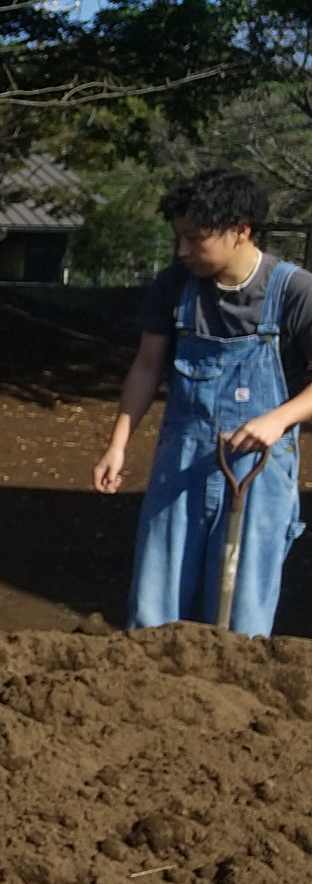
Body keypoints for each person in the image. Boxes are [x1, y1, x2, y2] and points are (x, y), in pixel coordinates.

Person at [93, 169, 312, 636]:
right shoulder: (176, 286)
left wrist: (279, 419)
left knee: (242, 610)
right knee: (154, 601)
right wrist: (118, 444)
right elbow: (148, 366)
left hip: (260, 465)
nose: (183, 251)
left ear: (241, 231)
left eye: (196, 239)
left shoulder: (294, 292)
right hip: (183, 459)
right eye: (179, 239)